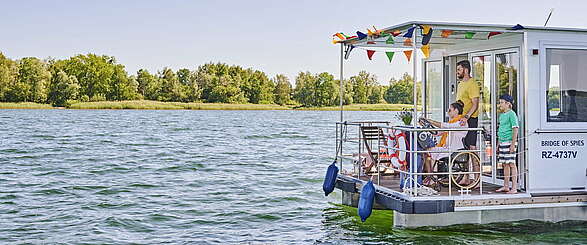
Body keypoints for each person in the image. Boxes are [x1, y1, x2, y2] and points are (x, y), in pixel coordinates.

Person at [419, 101, 468, 174]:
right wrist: (427, 126)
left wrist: (430, 121)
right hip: (448, 148)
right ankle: (432, 176)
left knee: (431, 152)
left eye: (450, 110)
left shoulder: (461, 122)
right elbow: (438, 133)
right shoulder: (452, 122)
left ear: (456, 110)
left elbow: (447, 126)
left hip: (455, 150)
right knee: (427, 151)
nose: (448, 112)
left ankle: (432, 177)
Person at [455, 60, 481, 186]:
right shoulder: (460, 84)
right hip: (461, 120)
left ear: (465, 70)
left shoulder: (472, 84)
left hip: (470, 120)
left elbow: (475, 105)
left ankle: (477, 179)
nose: (457, 72)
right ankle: (466, 177)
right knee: (463, 149)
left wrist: (466, 117)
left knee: (472, 148)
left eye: (459, 69)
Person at [495, 94, 519, 194]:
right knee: (505, 164)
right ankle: (506, 186)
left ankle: (514, 187)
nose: (500, 104)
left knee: (511, 164)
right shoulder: (502, 115)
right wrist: (498, 144)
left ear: (508, 104)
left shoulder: (512, 114)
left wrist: (513, 144)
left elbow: (515, 129)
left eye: (501, 102)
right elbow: (501, 130)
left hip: (509, 142)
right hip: (502, 142)